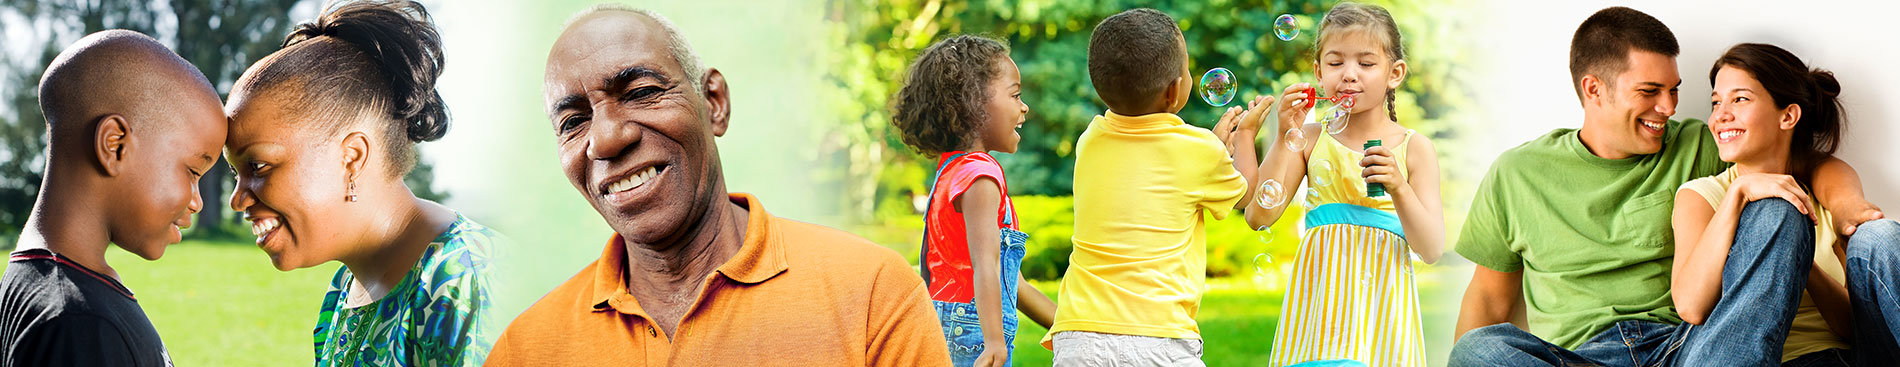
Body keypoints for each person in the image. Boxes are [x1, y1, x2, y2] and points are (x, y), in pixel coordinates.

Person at [484, 5, 949, 365]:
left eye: (642, 92)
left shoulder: (872, 293)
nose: (606, 139)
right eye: (573, 121)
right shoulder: (523, 349)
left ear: (714, 102)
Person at [1448, 7, 1882, 366]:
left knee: (1776, 210)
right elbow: (1488, 300)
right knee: (1478, 350)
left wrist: (1846, 205)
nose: (1669, 107)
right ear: (1593, 89)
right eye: (1650, 91)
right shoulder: (1515, 173)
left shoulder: (1699, 142)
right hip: (1580, 358)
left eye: (1674, 90)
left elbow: (1802, 165)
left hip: (1690, 348)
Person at [223, 1, 500, 365]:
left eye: (258, 166)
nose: (238, 199)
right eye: (235, 173)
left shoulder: (462, 280)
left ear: (351, 157)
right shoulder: (343, 289)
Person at [1044, 8, 1262, 365]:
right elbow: (1245, 193)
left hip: (1078, 335)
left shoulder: (1090, 140)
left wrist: (1212, 150)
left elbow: (1155, 169)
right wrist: (1247, 135)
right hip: (1158, 336)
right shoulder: (1198, 150)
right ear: (1175, 89)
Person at [0, 29, 224, 367]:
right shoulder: (80, 326)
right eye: (193, 172)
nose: (196, 201)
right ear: (114, 145)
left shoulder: (44, 288)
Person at [1239, 3, 1443, 366]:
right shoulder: (1311, 139)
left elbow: (1431, 249)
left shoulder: (1415, 149)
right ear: (1318, 72)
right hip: (1322, 313)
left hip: (1381, 315)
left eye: (1366, 64)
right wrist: (1287, 131)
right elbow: (1259, 215)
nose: (1349, 75)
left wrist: (1399, 187)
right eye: (1336, 63)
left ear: (1394, 73)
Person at [1673, 42, 1900, 366]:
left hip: (1849, 359)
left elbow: (1853, 327)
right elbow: (1691, 308)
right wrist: (1738, 195)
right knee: (1776, 213)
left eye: (1740, 99)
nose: (1720, 116)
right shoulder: (1702, 195)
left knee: (1880, 234)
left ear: (1788, 115)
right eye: (1715, 102)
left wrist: (1796, 258)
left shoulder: (1826, 195)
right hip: (1756, 360)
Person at [889, 34, 1059, 366]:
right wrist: (994, 342)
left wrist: (1071, 327)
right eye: (1015, 95)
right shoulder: (980, 176)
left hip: (948, 326)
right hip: (973, 335)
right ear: (973, 104)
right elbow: (988, 265)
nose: (1024, 106)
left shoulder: (950, 171)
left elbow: (1011, 282)